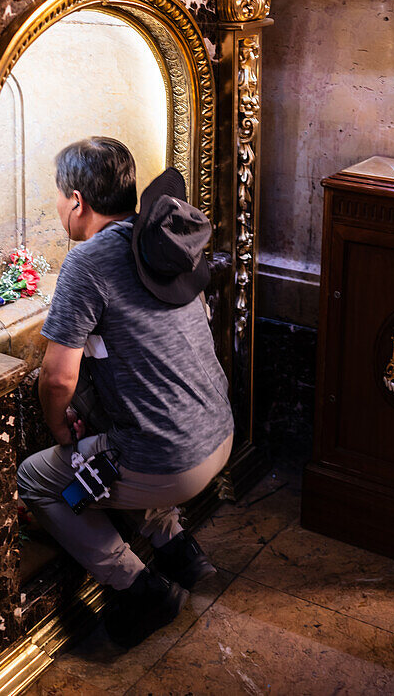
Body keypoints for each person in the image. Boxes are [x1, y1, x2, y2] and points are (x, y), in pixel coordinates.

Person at [17, 137, 234, 648]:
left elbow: (57, 379)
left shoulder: (86, 263)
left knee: (40, 480)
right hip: (220, 435)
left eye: (56, 196)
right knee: (128, 426)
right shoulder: (156, 240)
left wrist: (56, 426)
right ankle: (178, 548)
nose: (57, 206)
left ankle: (140, 589)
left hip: (169, 462)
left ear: (76, 201)